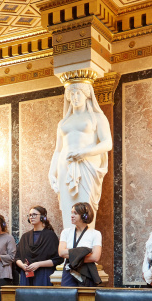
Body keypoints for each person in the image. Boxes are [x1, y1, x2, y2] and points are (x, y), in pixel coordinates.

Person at [48, 80, 112, 231]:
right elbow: (58, 150)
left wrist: (84, 153)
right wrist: (51, 172)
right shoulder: (63, 122)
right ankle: (69, 249)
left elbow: (107, 143)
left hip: (86, 166)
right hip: (65, 166)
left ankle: (84, 247)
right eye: (71, 94)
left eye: (78, 93)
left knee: (85, 207)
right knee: (68, 207)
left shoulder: (97, 117)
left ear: (86, 95)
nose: (75, 97)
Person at [16, 206, 62, 287]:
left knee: (42, 299)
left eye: (34, 214)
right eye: (30, 215)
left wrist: (39, 264)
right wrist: (22, 265)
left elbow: (58, 259)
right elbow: (17, 257)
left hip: (44, 274)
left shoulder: (50, 236)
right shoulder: (25, 236)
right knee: (26, 299)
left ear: (43, 217)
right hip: (26, 275)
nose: (31, 217)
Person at [58, 202, 102, 287]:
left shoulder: (95, 233)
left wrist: (71, 256)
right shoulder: (66, 232)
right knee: (67, 298)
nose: (71, 215)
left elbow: (95, 257)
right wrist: (83, 252)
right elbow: (61, 253)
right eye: (71, 213)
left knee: (86, 299)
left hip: (87, 272)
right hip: (68, 271)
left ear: (85, 216)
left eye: (75, 213)